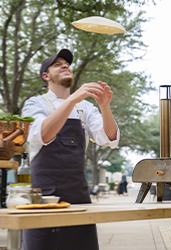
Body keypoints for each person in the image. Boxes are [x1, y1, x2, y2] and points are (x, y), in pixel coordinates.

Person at [21, 49, 120, 250]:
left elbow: (108, 138)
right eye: (57, 64)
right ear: (46, 76)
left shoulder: (85, 108)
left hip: (78, 196)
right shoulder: (34, 103)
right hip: (42, 199)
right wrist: (71, 100)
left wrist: (105, 107)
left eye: (67, 63)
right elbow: (44, 134)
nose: (65, 65)